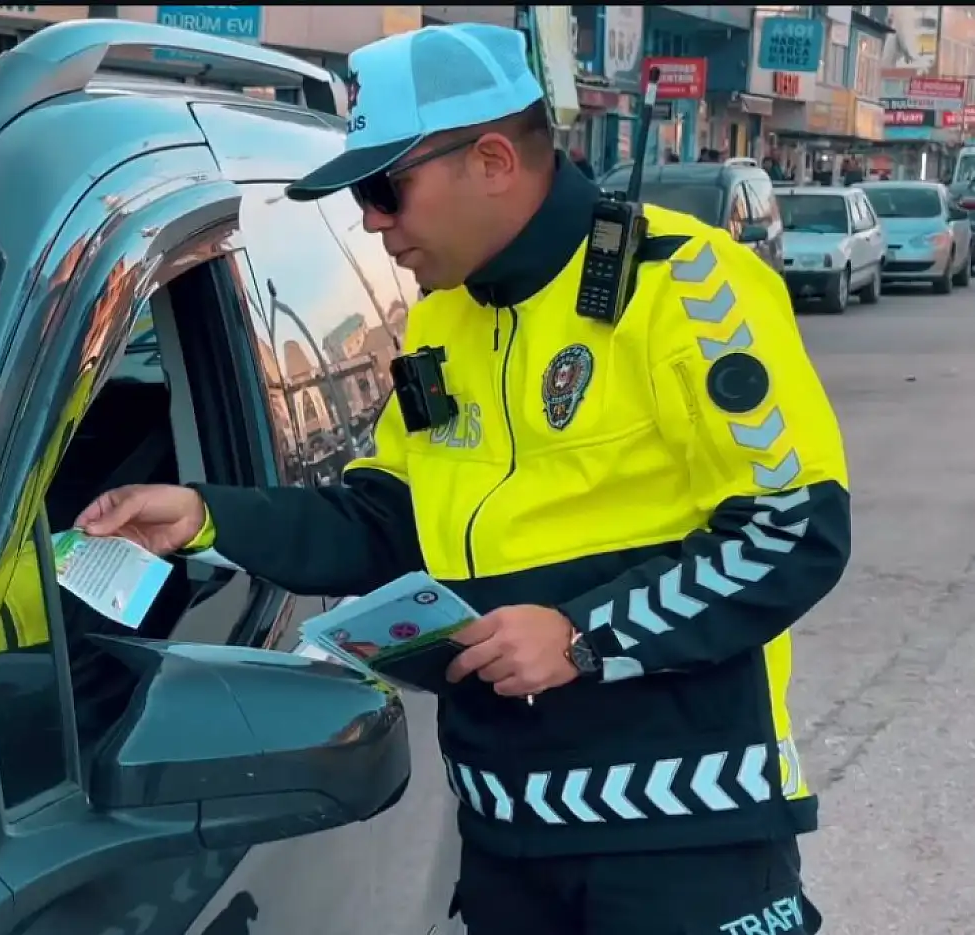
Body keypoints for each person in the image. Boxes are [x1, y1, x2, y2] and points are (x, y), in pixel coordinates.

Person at [75, 22, 849, 935]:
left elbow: (794, 530)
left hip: (685, 841)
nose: (371, 220)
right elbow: (380, 521)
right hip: (505, 838)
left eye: (383, 188)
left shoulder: (689, 289)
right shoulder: (443, 323)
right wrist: (205, 516)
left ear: (490, 160)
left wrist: (580, 636)